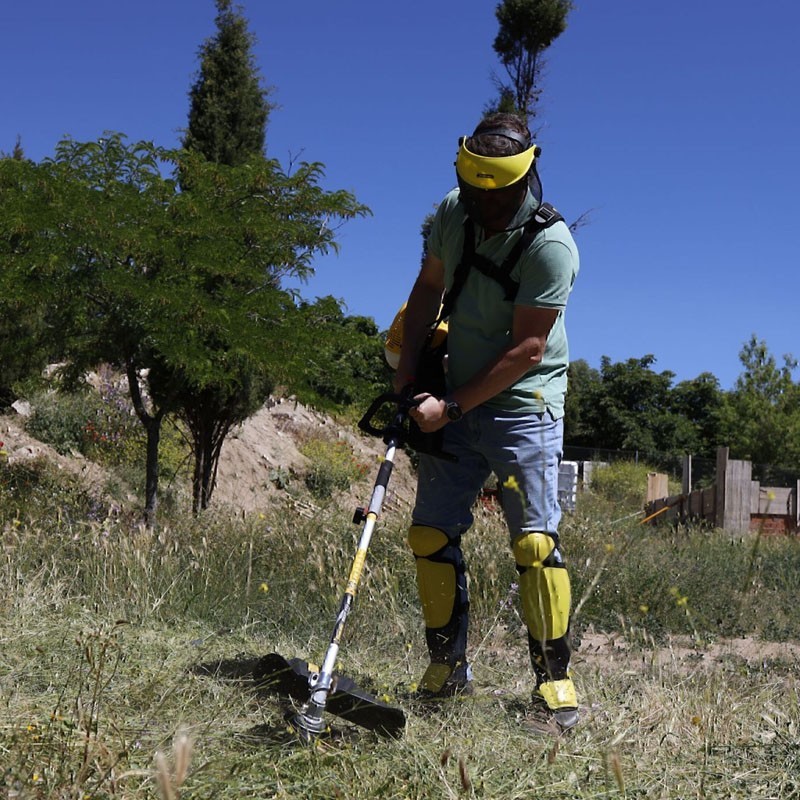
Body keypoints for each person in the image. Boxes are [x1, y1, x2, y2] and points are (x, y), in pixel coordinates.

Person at [392, 112, 580, 730]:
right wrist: (408, 373)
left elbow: (528, 349)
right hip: (451, 394)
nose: (485, 205)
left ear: (525, 178)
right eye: (474, 192)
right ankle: (446, 669)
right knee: (429, 534)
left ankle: (554, 685)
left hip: (522, 406)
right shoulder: (453, 212)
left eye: (497, 195)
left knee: (534, 544)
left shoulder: (551, 246)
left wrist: (451, 406)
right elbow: (428, 288)